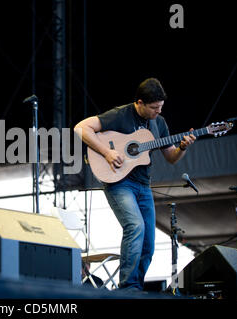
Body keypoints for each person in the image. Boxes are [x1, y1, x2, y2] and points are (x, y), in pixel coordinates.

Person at [74, 78, 196, 291]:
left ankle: (136, 287)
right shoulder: (120, 114)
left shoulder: (159, 123)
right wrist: (107, 152)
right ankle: (128, 286)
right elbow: (80, 128)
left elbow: (171, 157)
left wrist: (183, 147)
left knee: (149, 241)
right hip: (119, 183)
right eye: (154, 108)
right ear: (139, 103)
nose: (158, 112)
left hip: (143, 185)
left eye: (160, 107)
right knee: (135, 226)